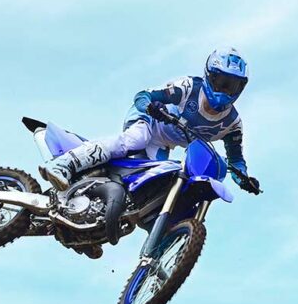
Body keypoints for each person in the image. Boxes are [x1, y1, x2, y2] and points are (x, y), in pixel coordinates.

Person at [39, 48, 261, 195]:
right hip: (149, 121)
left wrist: (244, 180)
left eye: (231, 86)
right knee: (135, 140)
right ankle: (64, 164)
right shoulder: (188, 88)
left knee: (158, 184)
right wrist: (151, 106)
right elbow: (143, 96)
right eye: (221, 82)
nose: (224, 90)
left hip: (162, 145)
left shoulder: (232, 124)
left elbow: (236, 160)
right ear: (209, 76)